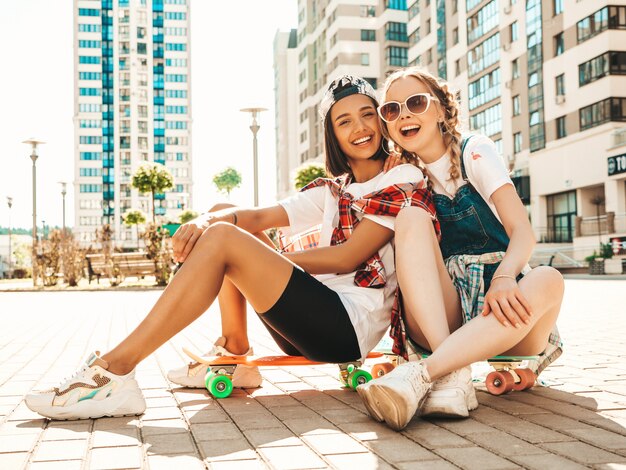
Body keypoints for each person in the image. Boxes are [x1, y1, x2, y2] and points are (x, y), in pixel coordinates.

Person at [25, 75, 438, 420]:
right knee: (224, 214)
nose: (359, 127)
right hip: (310, 322)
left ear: (383, 122)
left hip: (347, 328)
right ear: (332, 133)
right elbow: (254, 216)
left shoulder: (400, 176)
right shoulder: (335, 190)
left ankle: (113, 372)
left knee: (227, 240)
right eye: (344, 120)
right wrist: (205, 221)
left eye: (368, 113)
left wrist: (250, 257)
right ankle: (235, 350)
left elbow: (348, 256)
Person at [356, 67, 564, 431]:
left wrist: (503, 278)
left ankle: (426, 375)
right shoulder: (402, 176)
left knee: (548, 278)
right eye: (391, 110)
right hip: (443, 318)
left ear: (440, 110)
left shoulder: (475, 151)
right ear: (388, 125)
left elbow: (523, 233)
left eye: (416, 102)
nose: (404, 114)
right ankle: (451, 372)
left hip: (501, 307)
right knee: (410, 219)